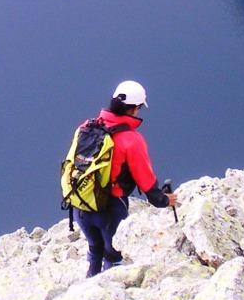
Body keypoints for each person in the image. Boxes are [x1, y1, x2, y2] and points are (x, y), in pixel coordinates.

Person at [76, 80, 177, 277]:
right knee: (113, 255)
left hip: (82, 203)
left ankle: (89, 287)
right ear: (134, 109)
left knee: (94, 248)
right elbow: (146, 181)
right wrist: (164, 200)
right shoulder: (131, 140)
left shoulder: (86, 127)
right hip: (110, 208)